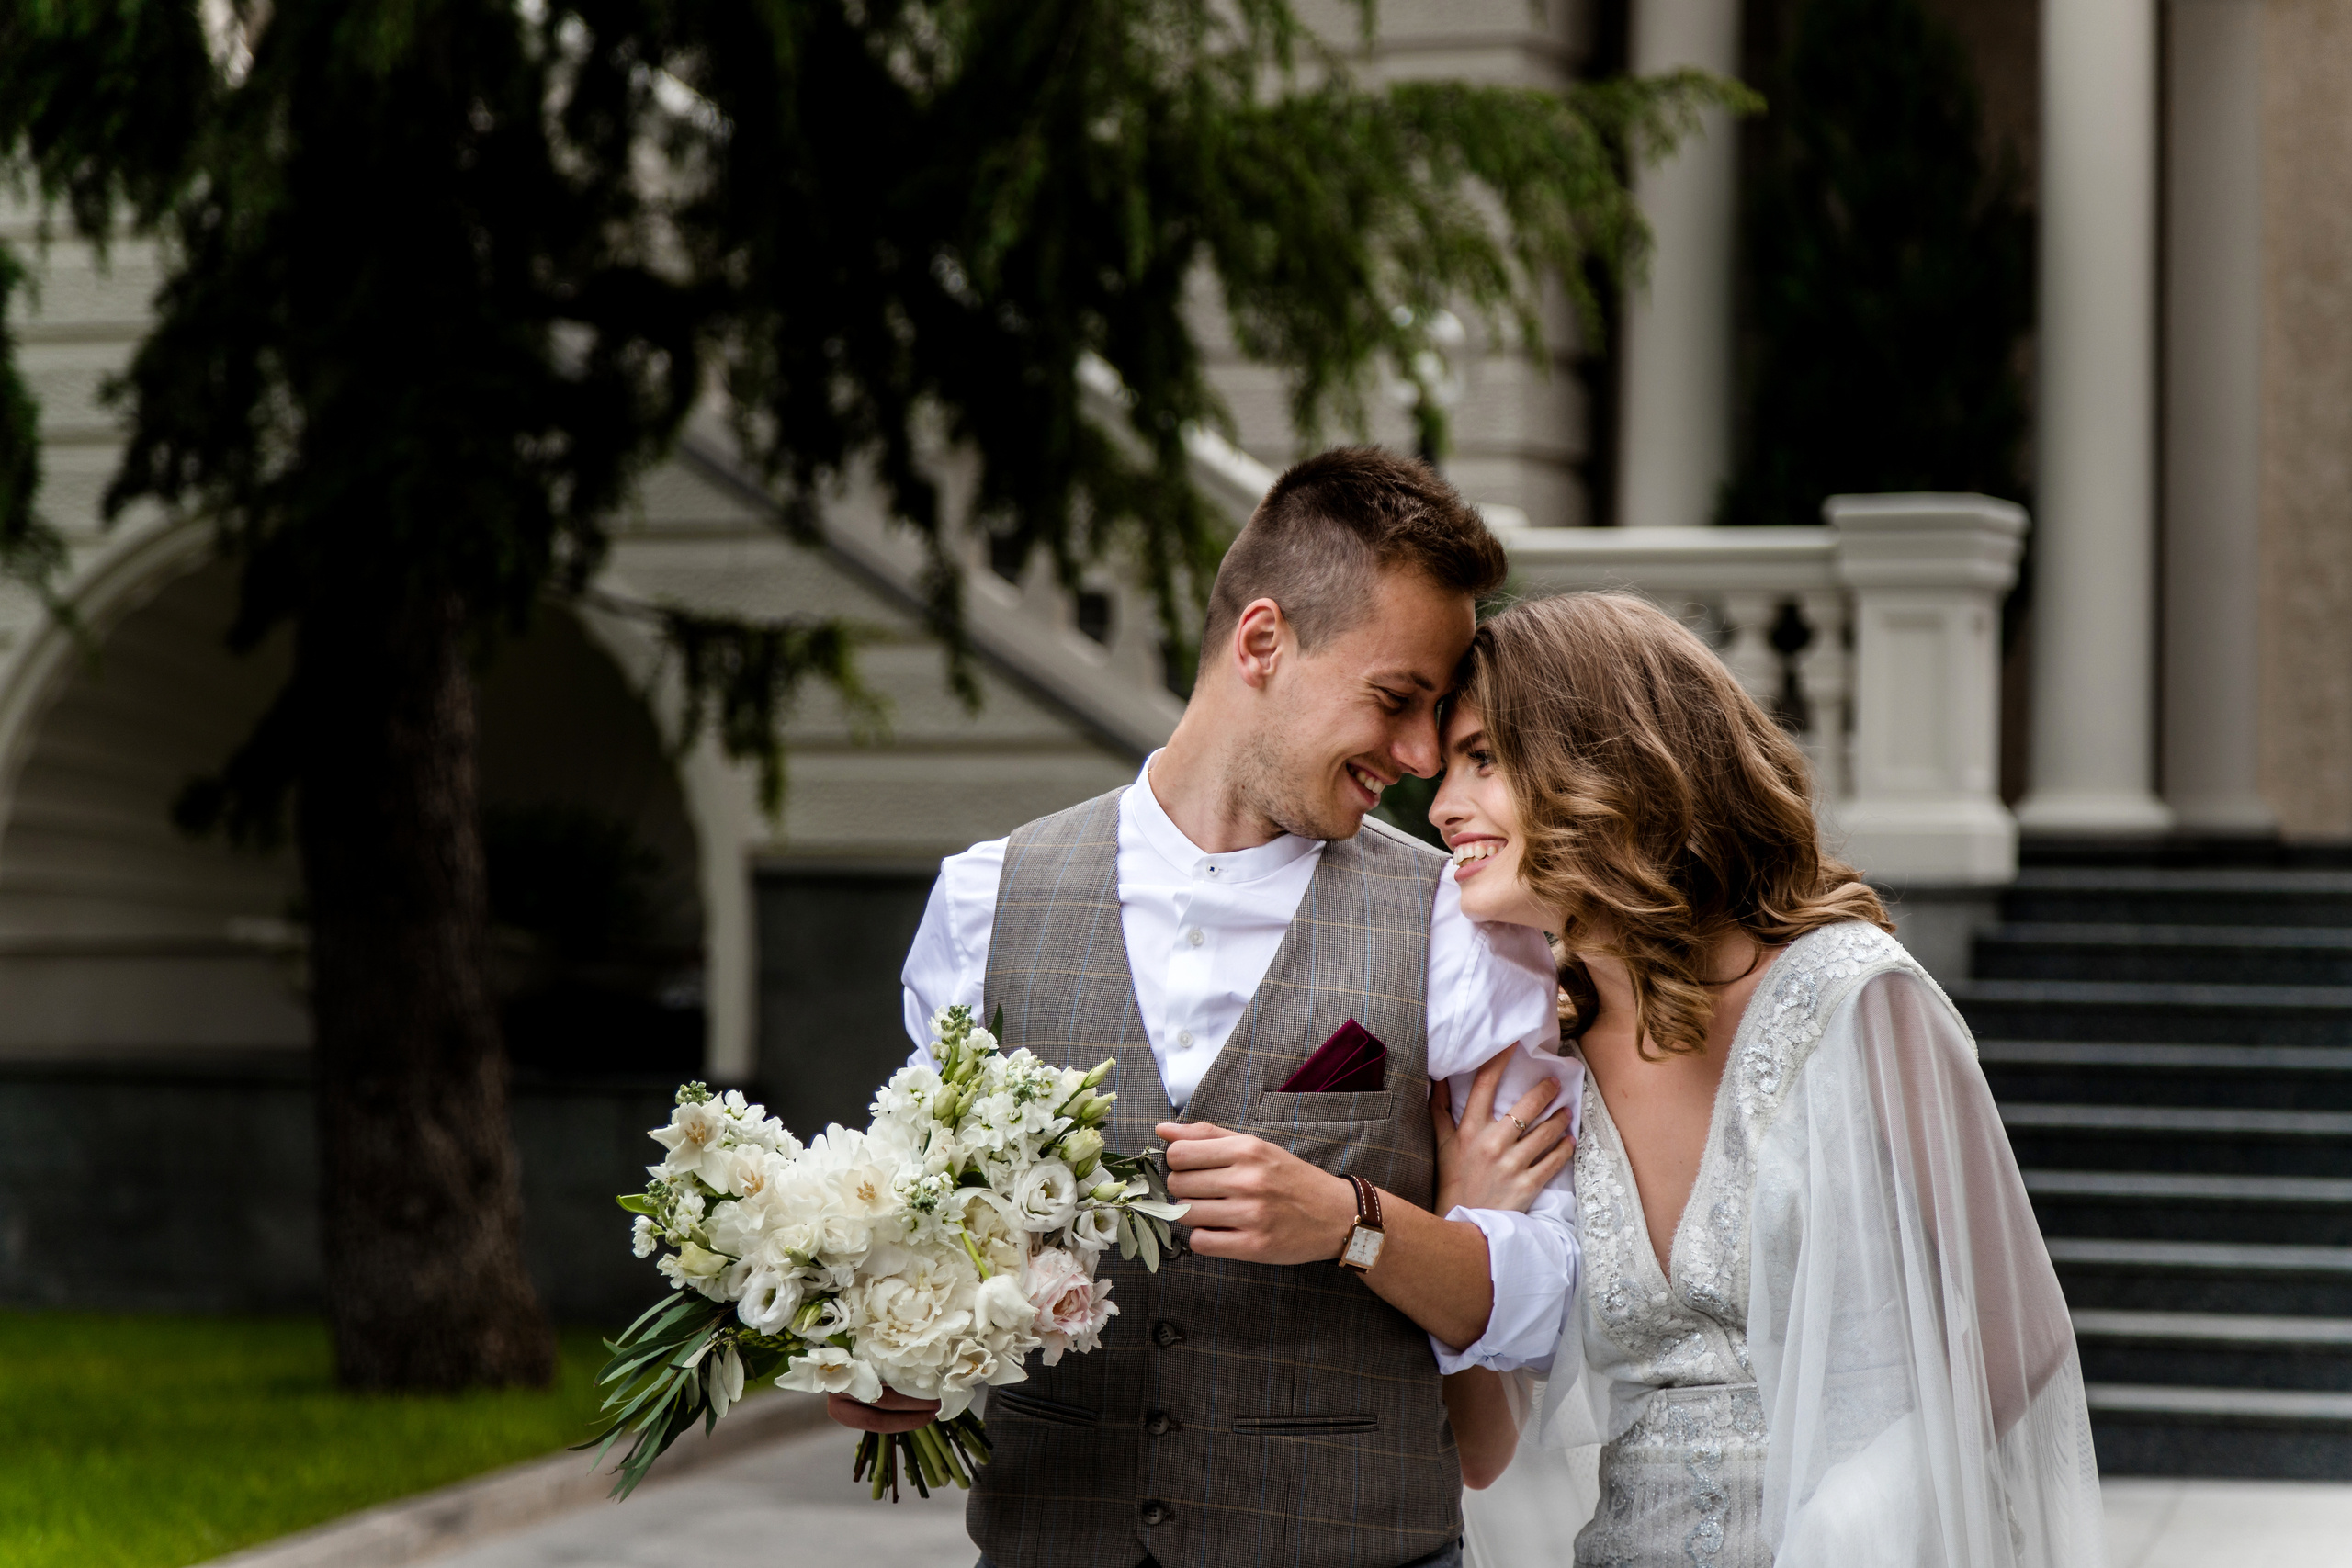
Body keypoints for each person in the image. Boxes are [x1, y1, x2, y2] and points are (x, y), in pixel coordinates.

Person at [828, 446, 1584, 1568]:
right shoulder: (986, 900)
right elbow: (931, 1232)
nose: (1422, 756)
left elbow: (1552, 1293)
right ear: (1262, 643)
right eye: (1396, 700)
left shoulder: (1460, 928)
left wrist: (1363, 1221)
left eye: (1436, 714)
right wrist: (885, 1369)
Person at [1429, 592, 2105, 1568]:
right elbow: (1485, 1452)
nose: (1443, 805)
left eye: (1483, 758)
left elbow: (2022, 1331)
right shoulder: (1536, 1063)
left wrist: (1852, 1520)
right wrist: (1467, 1227)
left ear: (1609, 755)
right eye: (1446, 766)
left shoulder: (1856, 999)